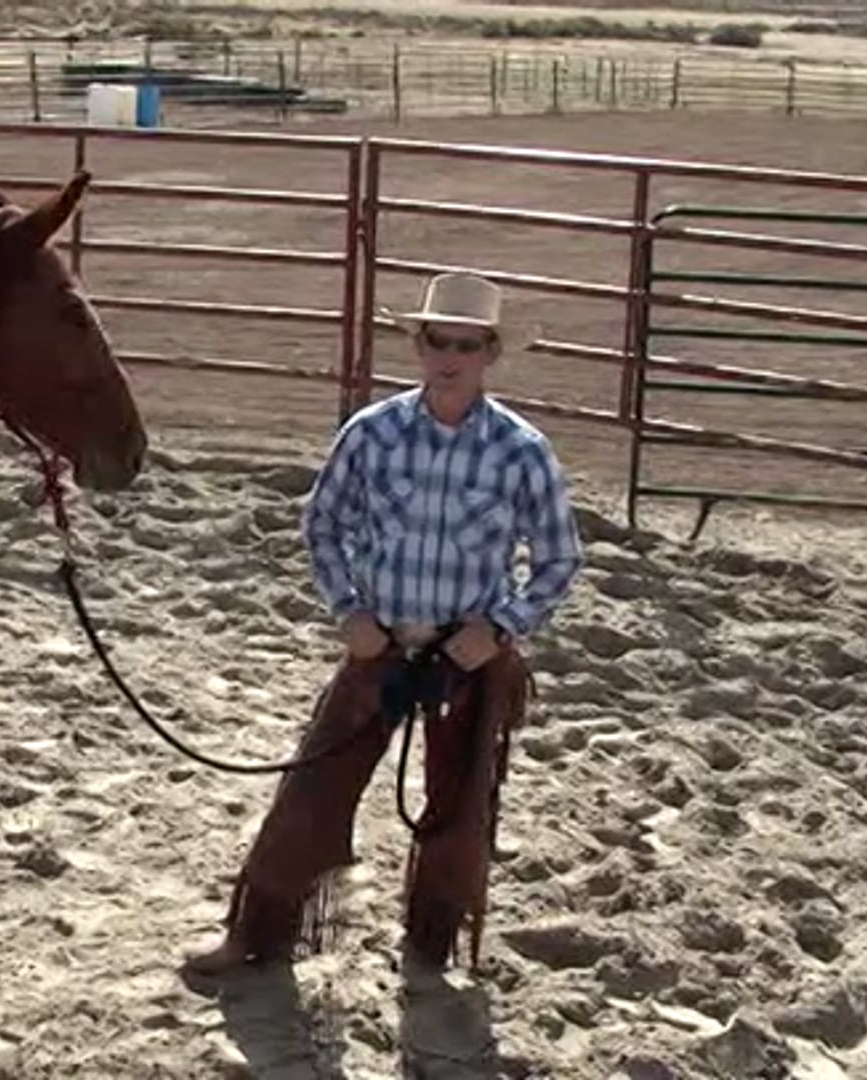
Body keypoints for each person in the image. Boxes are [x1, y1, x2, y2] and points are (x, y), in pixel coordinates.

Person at [183, 272, 585, 978]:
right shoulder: (372, 434)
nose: (450, 356)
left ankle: (431, 944)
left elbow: (558, 558)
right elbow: (322, 525)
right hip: (380, 642)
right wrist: (349, 609)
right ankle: (259, 931)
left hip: (466, 652)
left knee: (459, 806)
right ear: (418, 345)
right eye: (438, 341)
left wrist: (499, 629)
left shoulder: (522, 451)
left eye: (466, 344)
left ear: (490, 353)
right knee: (314, 787)